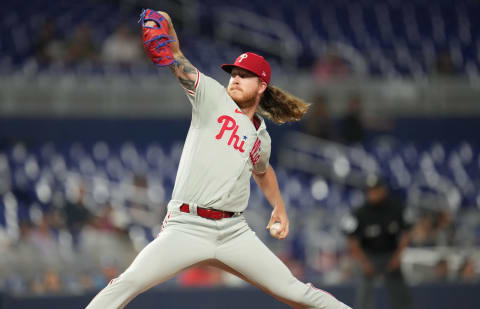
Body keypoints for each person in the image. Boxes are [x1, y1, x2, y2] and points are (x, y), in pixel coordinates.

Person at [85, 9, 351, 309]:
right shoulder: (211, 96)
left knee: (295, 292)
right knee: (129, 283)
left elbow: (263, 171)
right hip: (186, 225)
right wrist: (165, 19)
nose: (235, 79)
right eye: (233, 74)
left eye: (244, 76)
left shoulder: (260, 135)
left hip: (233, 232)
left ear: (262, 86)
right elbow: (176, 56)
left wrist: (279, 207)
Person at [342, 180, 412, 309]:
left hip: (391, 254)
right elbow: (351, 238)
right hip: (368, 255)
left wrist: (398, 256)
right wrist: (363, 262)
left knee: (400, 294)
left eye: (376, 190)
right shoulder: (360, 212)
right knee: (364, 293)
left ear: (383, 190)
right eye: (370, 191)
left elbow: (407, 231)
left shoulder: (396, 207)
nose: (373, 194)